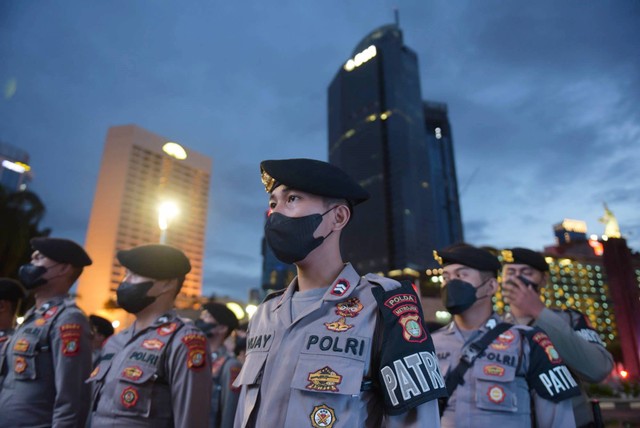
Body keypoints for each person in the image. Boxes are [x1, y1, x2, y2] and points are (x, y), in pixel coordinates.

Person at [233, 158, 447, 428]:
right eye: (273, 204)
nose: (276, 214)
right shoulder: (265, 313)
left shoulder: (384, 308)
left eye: (293, 199)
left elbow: (416, 421)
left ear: (338, 217)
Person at [431, 244, 581, 427]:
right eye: (446, 277)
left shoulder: (527, 342)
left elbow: (558, 421)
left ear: (491, 286)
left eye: (461, 275)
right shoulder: (429, 345)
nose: (451, 283)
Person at [88, 243, 211, 427]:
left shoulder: (183, 342)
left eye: (134, 275)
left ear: (167, 284)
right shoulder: (116, 341)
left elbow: (191, 421)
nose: (125, 282)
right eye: (126, 274)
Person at [501, 247, 615, 428]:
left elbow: (598, 369)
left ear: (543, 280)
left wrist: (539, 312)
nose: (516, 279)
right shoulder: (493, 327)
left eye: (526, 272)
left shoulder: (571, 319)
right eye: (511, 272)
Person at [0, 237, 94, 427]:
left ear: (63, 268)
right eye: (32, 258)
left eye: (39, 258)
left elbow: (72, 398)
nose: (31, 263)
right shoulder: (32, 317)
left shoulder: (68, 319)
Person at [196, 302, 242, 428]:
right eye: (202, 315)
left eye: (207, 316)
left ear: (222, 328)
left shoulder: (230, 365)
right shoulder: (194, 358)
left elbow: (229, 412)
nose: (201, 320)